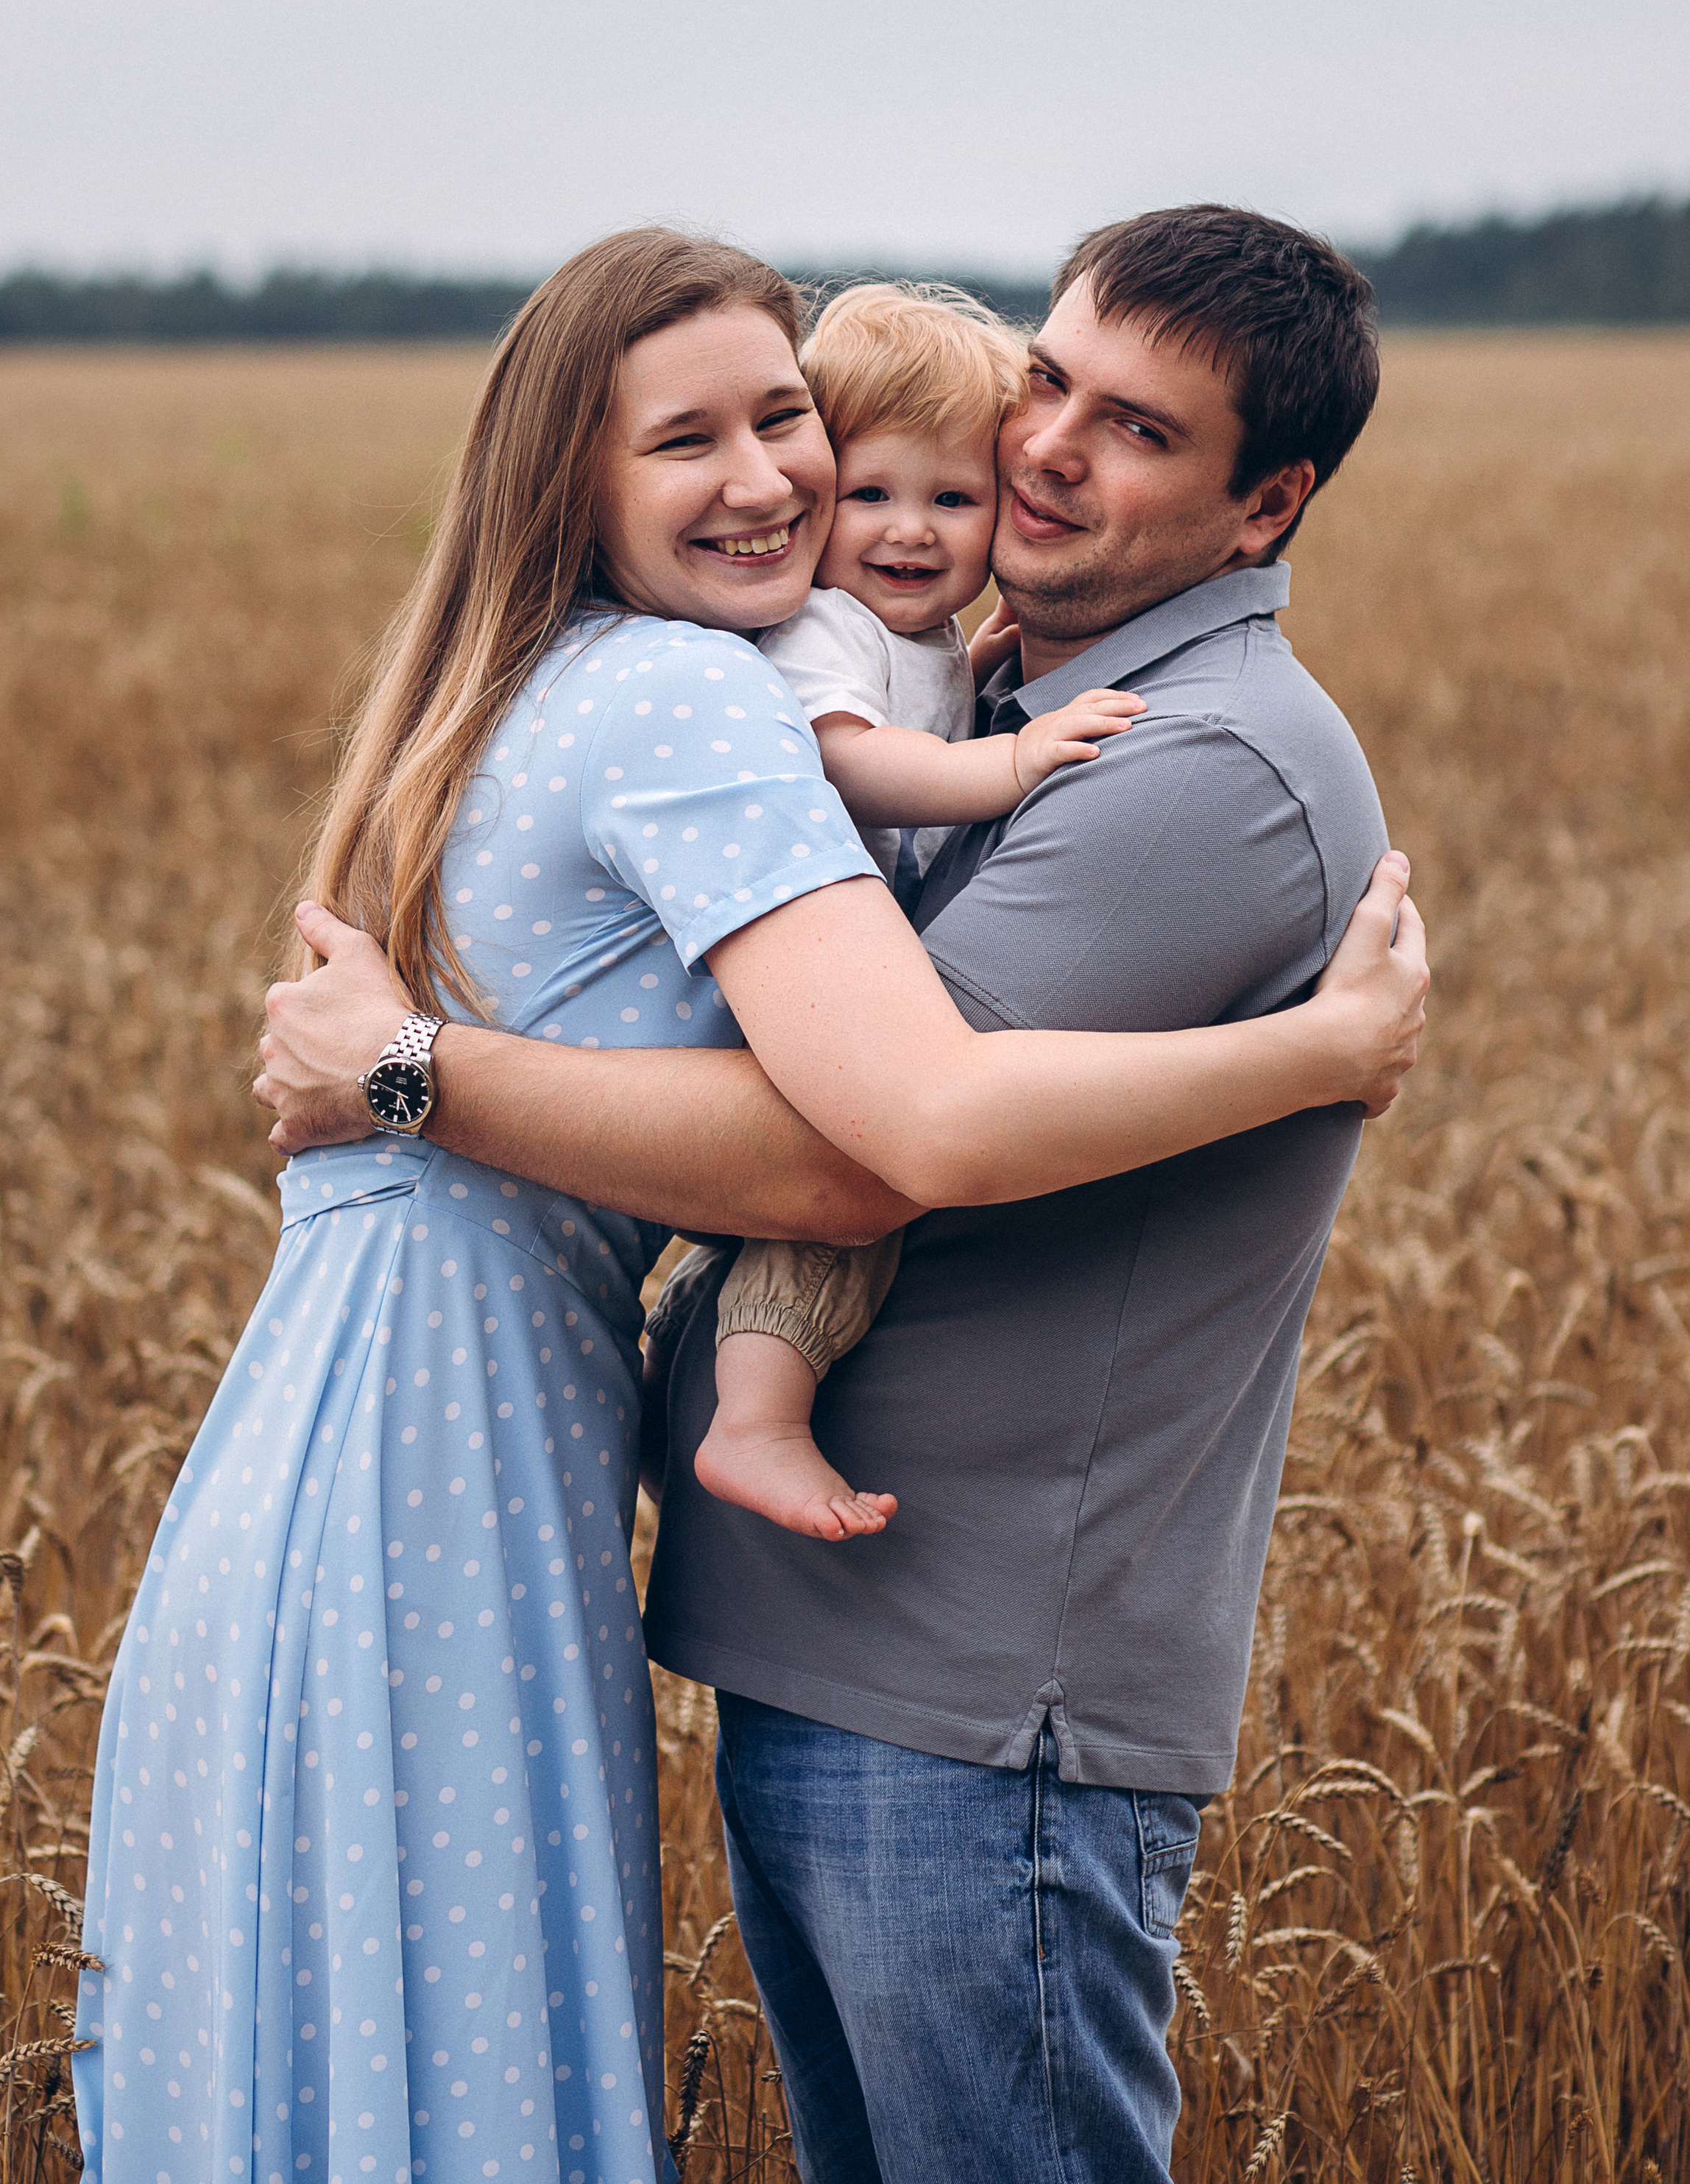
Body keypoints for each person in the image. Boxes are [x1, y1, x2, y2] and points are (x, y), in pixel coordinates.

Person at [238, 216, 1426, 2184]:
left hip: (979, 1701)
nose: (1044, 448)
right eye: (1047, 379)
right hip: (851, 1656)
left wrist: (410, 1072)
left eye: (1135, 429)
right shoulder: (947, 700)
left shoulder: (1205, 769)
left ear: (1265, 504)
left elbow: (861, 1145)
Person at [674, 279, 1147, 1544]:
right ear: (817, 495)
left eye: (954, 499)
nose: (910, 532)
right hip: (784, 965)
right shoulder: (824, 627)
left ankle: (710, 1354)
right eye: (871, 495)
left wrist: (983, 669)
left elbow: (916, 698)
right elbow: (851, 755)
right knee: (850, 1194)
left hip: (828, 948)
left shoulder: (928, 637)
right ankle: (755, 1417)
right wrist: (1009, 759)